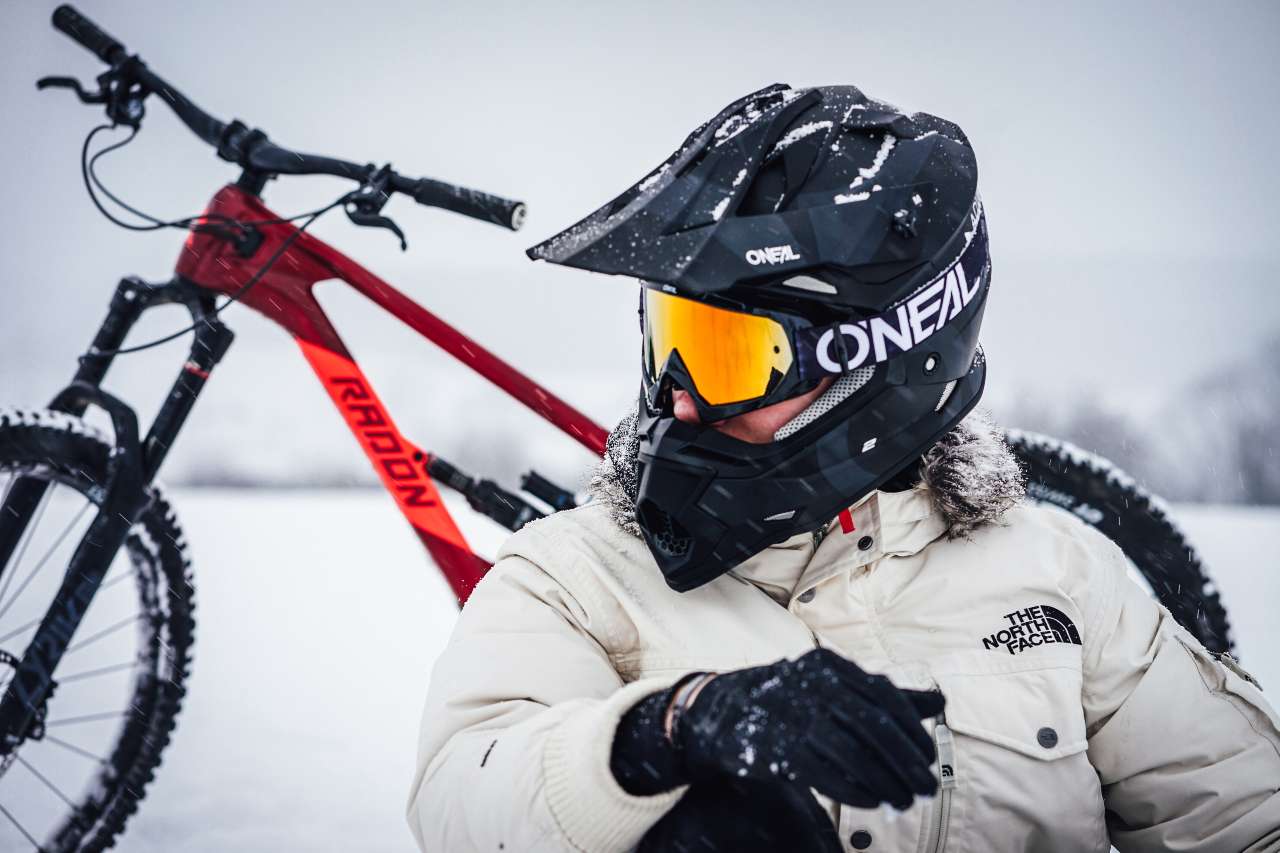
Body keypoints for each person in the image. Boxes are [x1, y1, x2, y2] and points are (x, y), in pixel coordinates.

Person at [406, 84, 1280, 852]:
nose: (677, 400)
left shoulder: (1057, 577)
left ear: (885, 357)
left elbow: (1247, 816)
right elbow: (458, 805)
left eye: (727, 356)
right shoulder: (576, 574)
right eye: (672, 343)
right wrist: (662, 734)